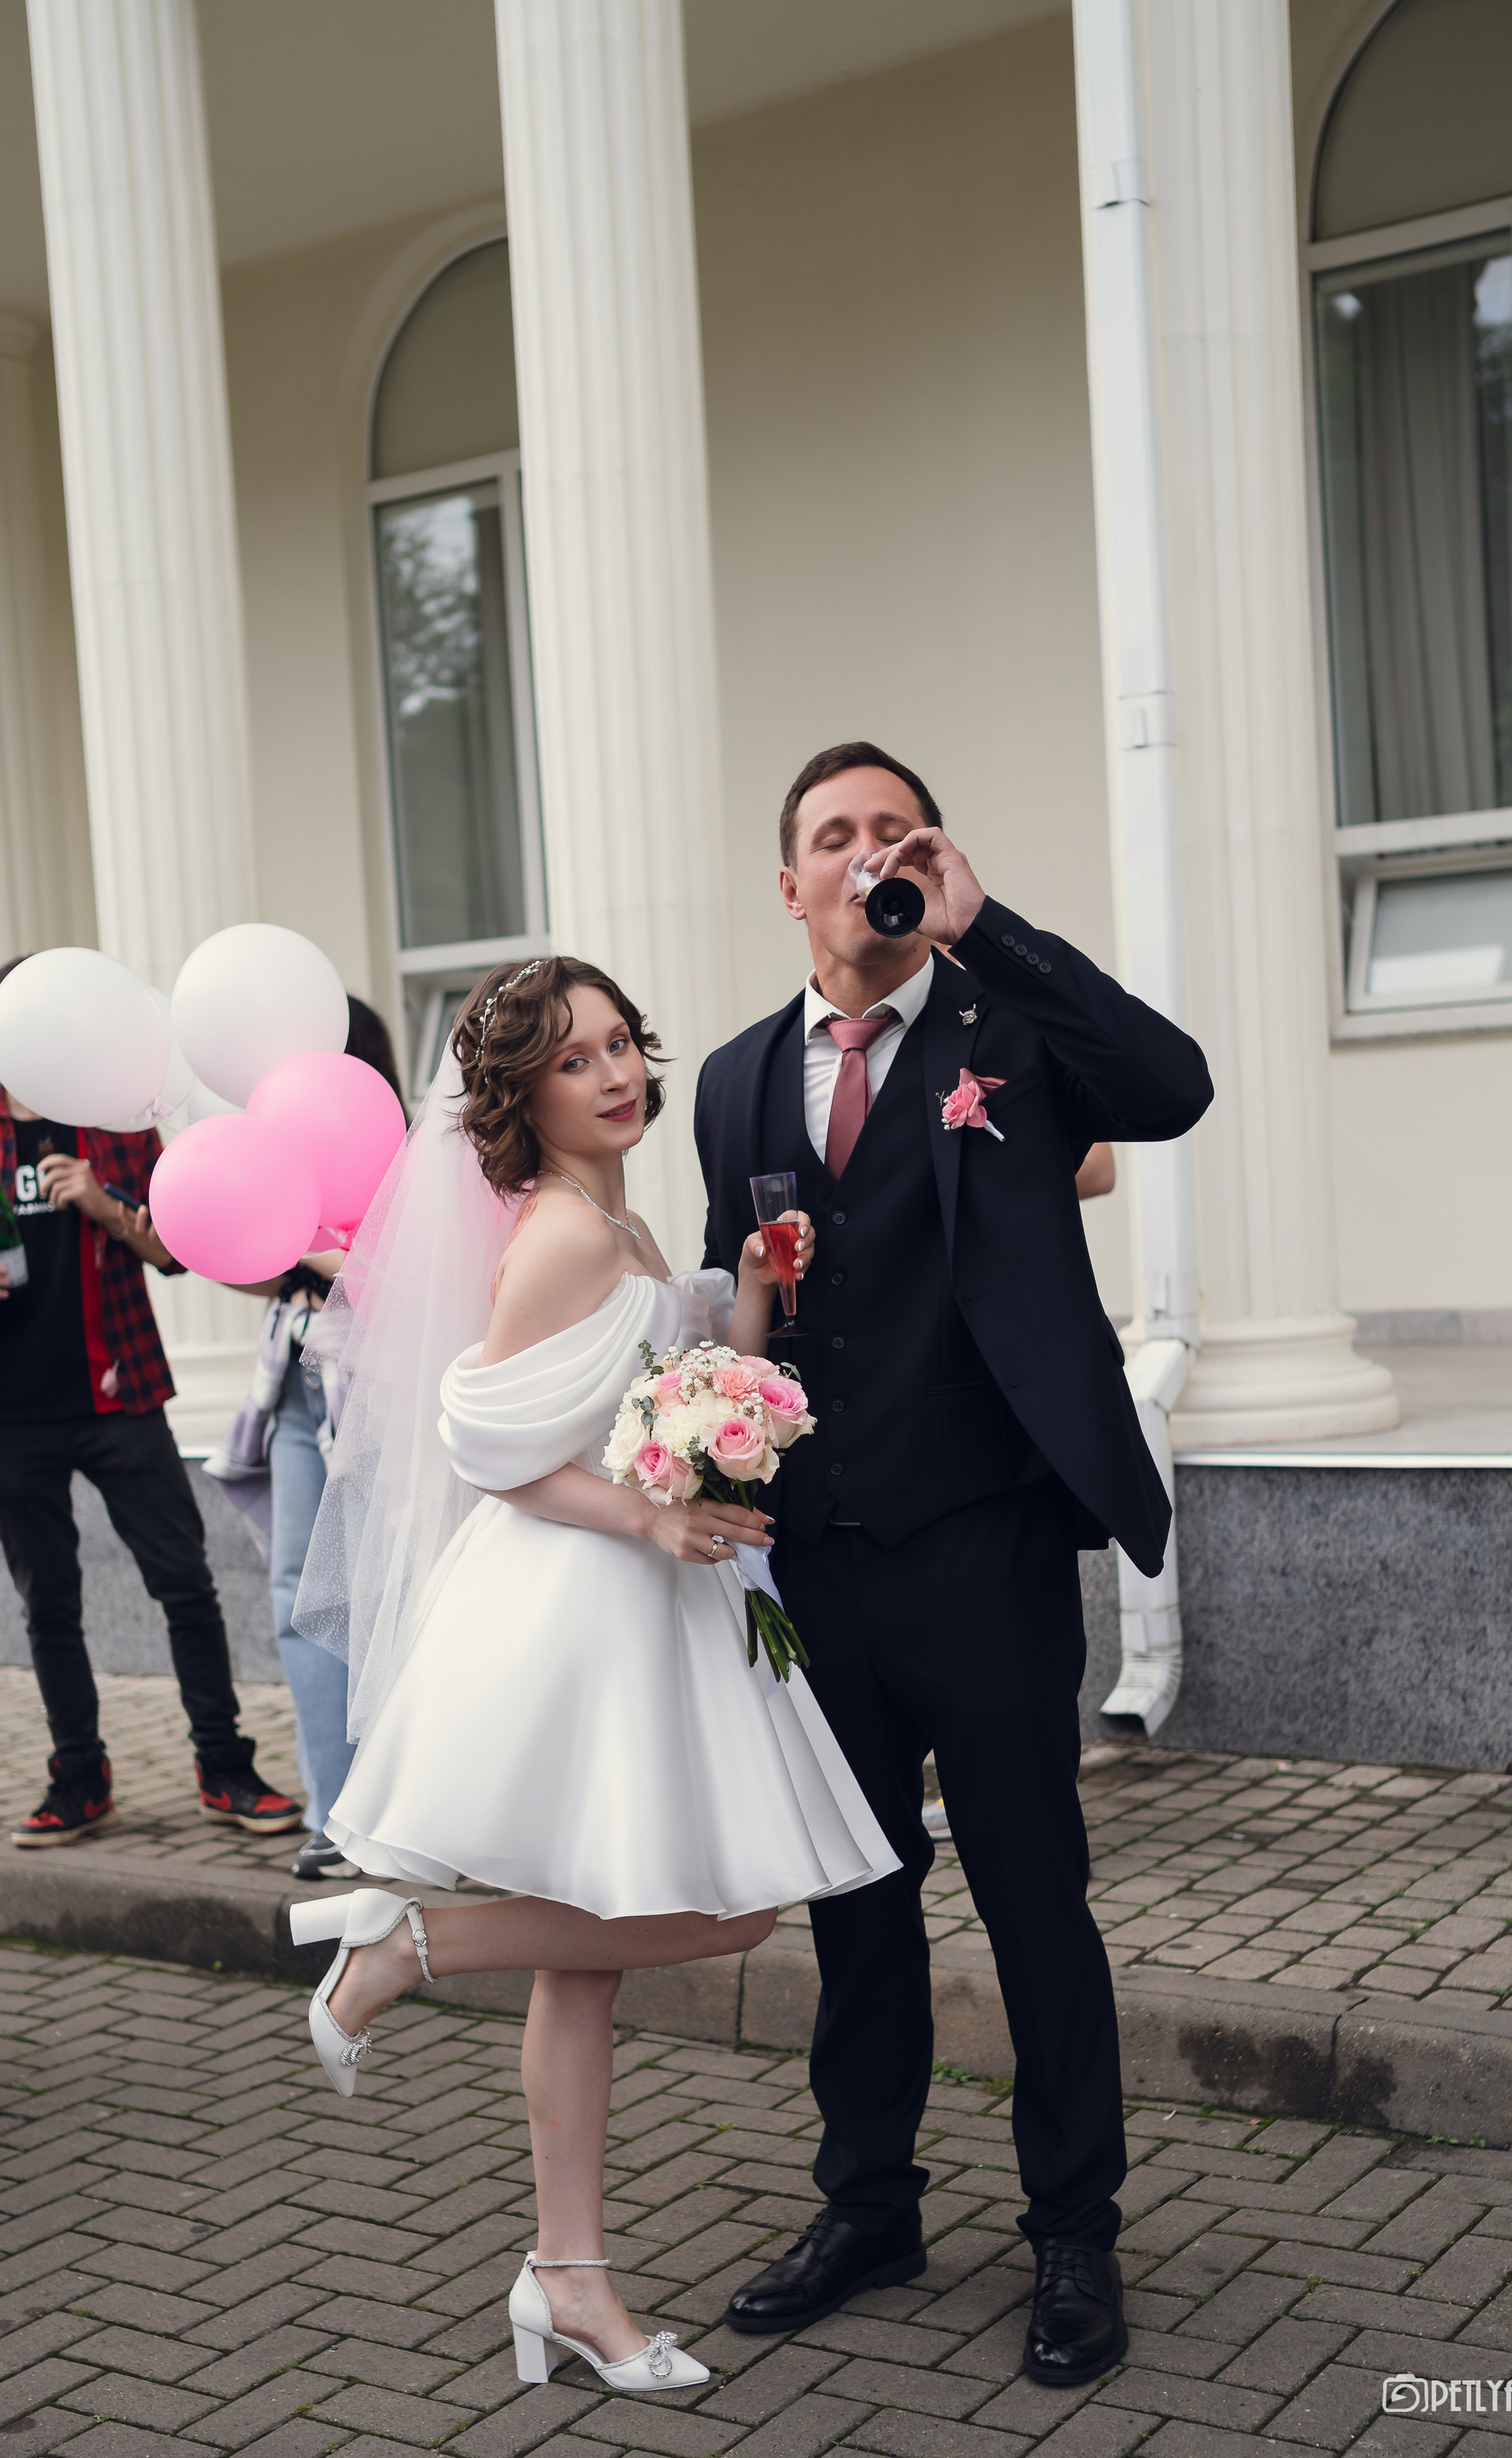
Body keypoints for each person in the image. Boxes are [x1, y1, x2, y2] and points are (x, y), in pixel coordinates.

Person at [283, 956, 898, 2396]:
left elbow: (671, 1409)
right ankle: (406, 1951)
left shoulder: (614, 1219)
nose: (616, 1073)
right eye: (575, 1061)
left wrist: (742, 1306)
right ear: (520, 1094)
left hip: (652, 1600)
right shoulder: (560, 1234)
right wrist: (654, 1517)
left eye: (622, 1044)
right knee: (731, 1916)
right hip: (586, 1604)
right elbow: (485, 1446)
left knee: (587, 1963)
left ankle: (569, 2279)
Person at [693, 743, 1212, 2387]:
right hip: (815, 1564)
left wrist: (991, 929)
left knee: (1031, 1900)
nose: (863, 857)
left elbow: (1173, 1085)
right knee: (852, 1902)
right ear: (787, 885)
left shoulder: (1010, 1032)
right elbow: (742, 1311)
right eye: (830, 838)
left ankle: (1071, 2227)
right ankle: (869, 2201)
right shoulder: (729, 1075)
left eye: (890, 832)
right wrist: (710, 1485)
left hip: (983, 1546)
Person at [0, 956, 303, 1850]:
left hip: (118, 1390)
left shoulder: (115, 1131)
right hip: (5, 1404)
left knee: (184, 1581)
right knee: (47, 1599)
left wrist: (105, 1202)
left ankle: (225, 1765)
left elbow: (175, 1247)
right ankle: (79, 1777)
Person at [208, 996, 409, 1882]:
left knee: (380, 1594)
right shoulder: (277, 1139)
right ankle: (332, 1814)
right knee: (302, 1589)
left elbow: (398, 1275)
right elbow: (268, 1265)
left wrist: (314, 1238)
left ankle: (400, 1807)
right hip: (295, 1375)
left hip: (375, 1380)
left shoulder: (401, 1149)